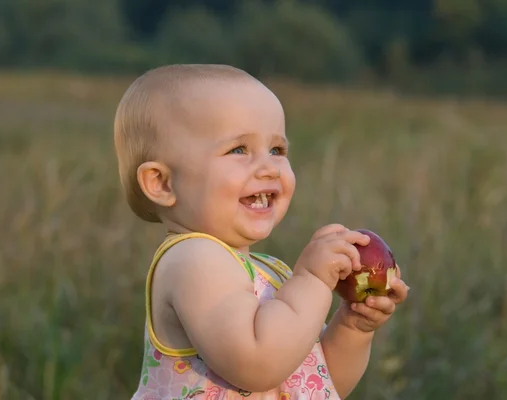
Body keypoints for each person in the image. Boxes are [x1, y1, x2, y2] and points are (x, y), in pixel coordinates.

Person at [114, 64, 409, 400]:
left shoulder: (271, 274)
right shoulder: (192, 260)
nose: (269, 168)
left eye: (277, 151)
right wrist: (312, 280)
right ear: (162, 183)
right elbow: (258, 364)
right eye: (238, 150)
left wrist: (354, 327)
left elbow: (314, 385)